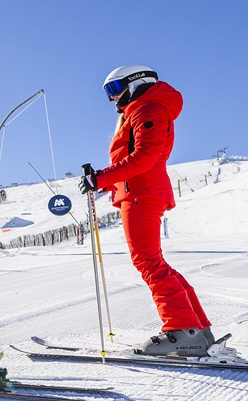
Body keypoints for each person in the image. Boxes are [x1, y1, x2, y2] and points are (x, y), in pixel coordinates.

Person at [79, 65, 215, 356]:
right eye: (107, 93)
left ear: (136, 83)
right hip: (139, 191)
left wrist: (100, 177)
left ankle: (182, 330)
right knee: (153, 262)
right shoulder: (142, 110)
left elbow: (145, 157)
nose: (112, 99)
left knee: (148, 262)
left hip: (142, 193)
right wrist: (103, 183)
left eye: (113, 90)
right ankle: (197, 329)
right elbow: (135, 159)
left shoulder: (147, 109)